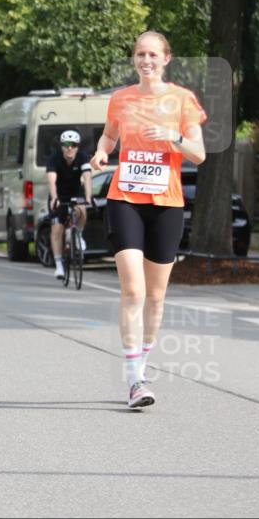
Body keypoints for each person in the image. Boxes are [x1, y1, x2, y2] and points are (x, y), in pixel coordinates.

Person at [90, 31, 206, 410]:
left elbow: (199, 154)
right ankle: (134, 378)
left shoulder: (182, 100)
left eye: (153, 54)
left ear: (166, 59)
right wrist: (100, 154)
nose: (146, 60)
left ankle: (143, 359)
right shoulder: (122, 99)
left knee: (156, 297)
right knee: (134, 291)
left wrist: (173, 136)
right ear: (134, 59)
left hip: (166, 203)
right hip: (125, 199)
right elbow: (108, 138)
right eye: (140, 54)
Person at [46, 130, 92, 280]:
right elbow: (51, 180)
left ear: (77, 147)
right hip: (58, 195)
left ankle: (78, 233)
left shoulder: (82, 157)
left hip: (75, 193)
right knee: (57, 229)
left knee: (82, 210)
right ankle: (59, 266)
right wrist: (54, 198)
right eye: (66, 145)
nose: (69, 148)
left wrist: (88, 196)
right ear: (61, 146)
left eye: (73, 145)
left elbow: (87, 177)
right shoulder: (54, 158)